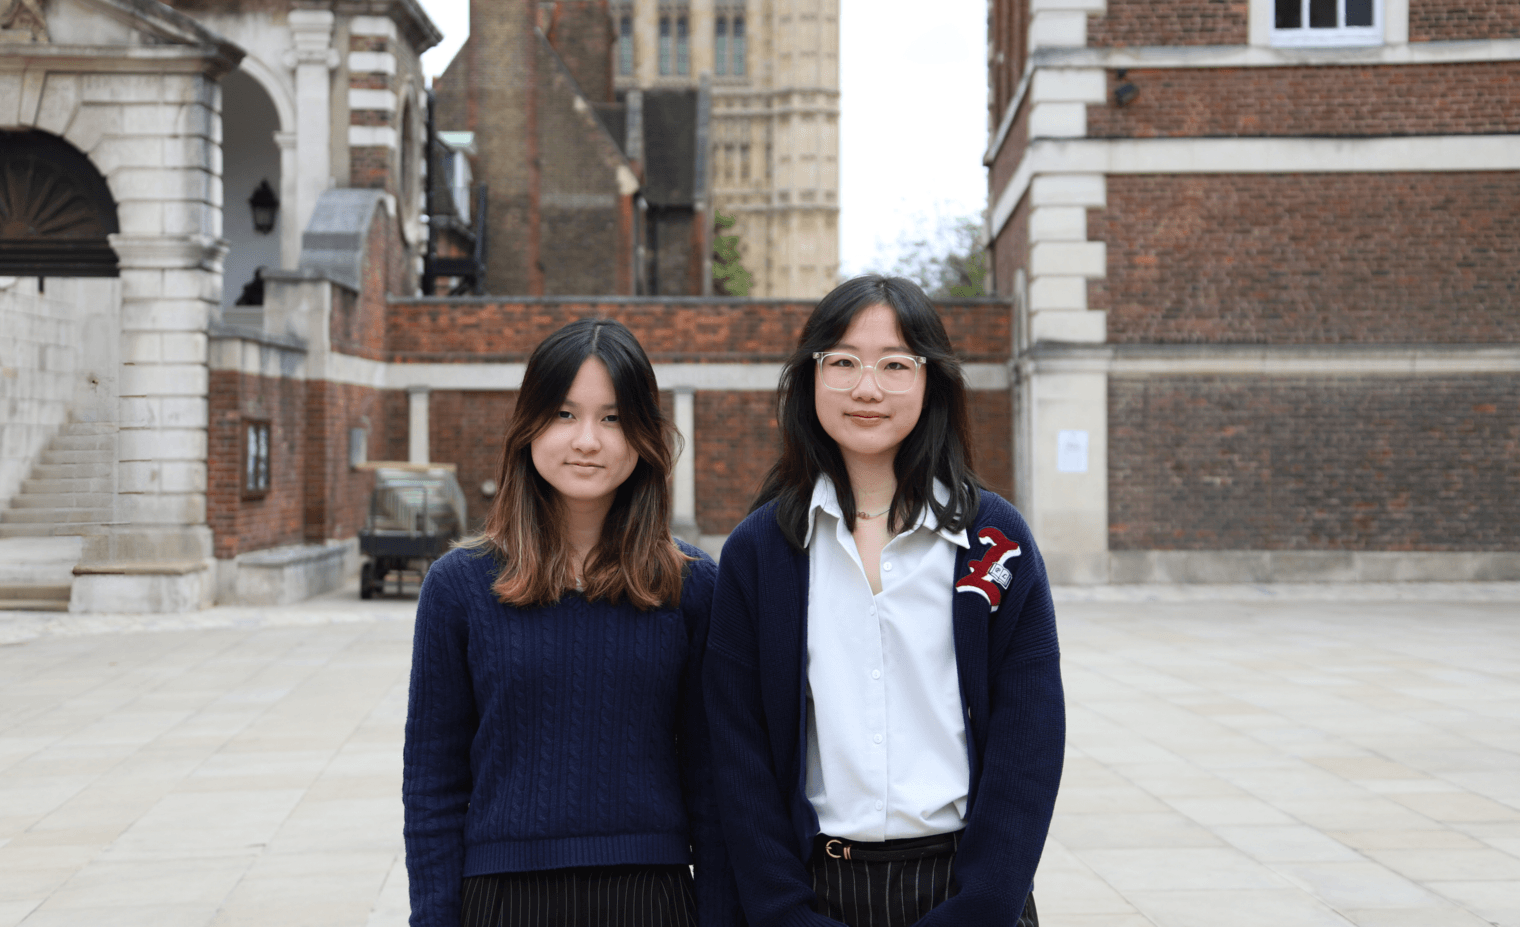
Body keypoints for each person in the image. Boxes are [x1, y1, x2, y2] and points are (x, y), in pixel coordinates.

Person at [703, 276, 1064, 926]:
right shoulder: (760, 552)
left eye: (896, 364)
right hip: (815, 893)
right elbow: (739, 754)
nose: (867, 388)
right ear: (809, 377)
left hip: (967, 890)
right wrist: (785, 912)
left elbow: (1028, 745)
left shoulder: (994, 540)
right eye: (842, 362)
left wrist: (981, 909)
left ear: (933, 382)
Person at [403, 318, 737, 926]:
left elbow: (713, 782)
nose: (587, 439)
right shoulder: (458, 586)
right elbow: (433, 784)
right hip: (503, 900)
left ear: (644, 436)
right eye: (564, 414)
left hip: (653, 899)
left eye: (612, 418)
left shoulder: (691, 586)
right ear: (527, 426)